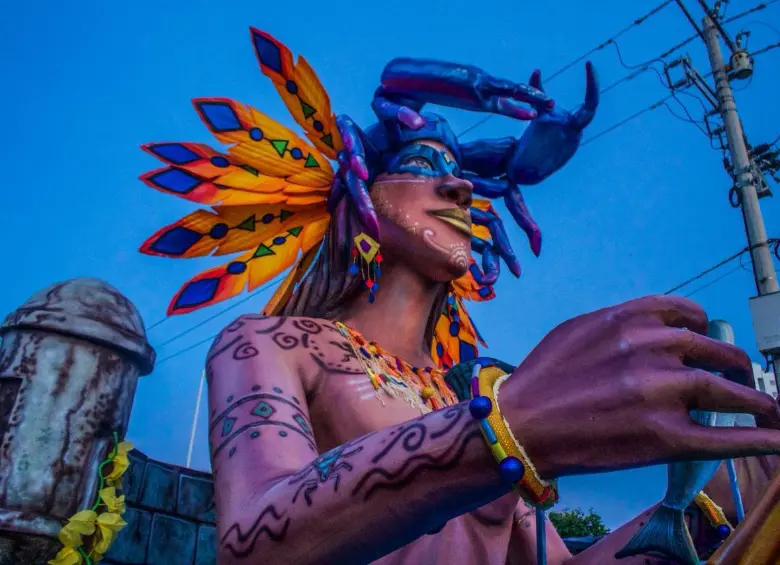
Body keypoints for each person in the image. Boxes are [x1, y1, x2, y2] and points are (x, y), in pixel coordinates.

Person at [138, 28, 780, 564]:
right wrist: (506, 428)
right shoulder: (270, 343)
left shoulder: (467, 392)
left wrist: (707, 497)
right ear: (357, 197)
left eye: (466, 178)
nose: (462, 192)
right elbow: (253, 538)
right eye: (423, 165)